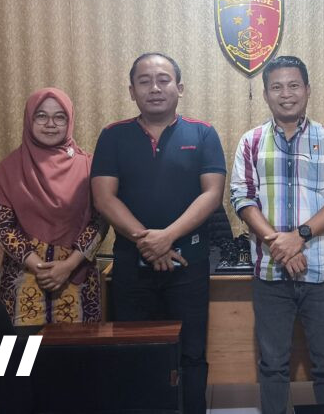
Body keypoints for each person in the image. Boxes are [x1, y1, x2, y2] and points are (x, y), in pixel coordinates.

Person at [91, 53, 225, 414]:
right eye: (144, 81)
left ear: (179, 88)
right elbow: (104, 198)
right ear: (131, 91)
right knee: (135, 353)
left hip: (190, 265)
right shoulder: (113, 135)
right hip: (131, 267)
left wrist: (167, 237)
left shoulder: (203, 133)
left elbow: (212, 194)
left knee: (191, 354)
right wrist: (148, 241)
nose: (154, 87)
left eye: (163, 80)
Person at [230, 56, 324, 414]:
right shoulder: (251, 142)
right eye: (277, 87)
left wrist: (299, 237)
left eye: (293, 85)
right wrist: (280, 244)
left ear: (307, 90)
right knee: (272, 365)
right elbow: (242, 198)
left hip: (322, 273)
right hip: (270, 275)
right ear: (265, 94)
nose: (286, 94)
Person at [0, 87, 107, 325]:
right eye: (41, 116)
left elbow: (100, 222)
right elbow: (0, 227)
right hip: (24, 279)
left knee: (78, 347)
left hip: (77, 278)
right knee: (26, 348)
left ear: (69, 121)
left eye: (60, 117)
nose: (50, 124)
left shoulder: (89, 166)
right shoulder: (9, 168)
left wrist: (68, 266)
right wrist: (39, 266)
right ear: (29, 119)